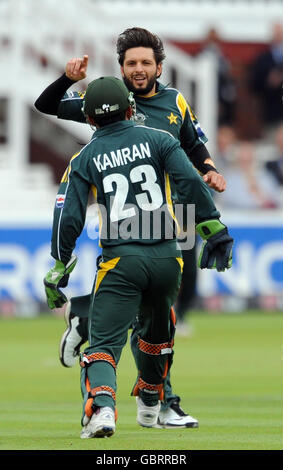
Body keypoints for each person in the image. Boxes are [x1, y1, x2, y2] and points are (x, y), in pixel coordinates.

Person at [35, 27, 226, 429]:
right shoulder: (106, 99)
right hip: (135, 225)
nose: (138, 70)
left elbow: (194, 142)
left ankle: (86, 319)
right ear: (121, 68)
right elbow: (46, 104)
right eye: (131, 63)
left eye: (145, 63)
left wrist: (208, 167)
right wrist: (67, 79)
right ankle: (161, 402)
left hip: (175, 219)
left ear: (159, 65)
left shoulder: (175, 101)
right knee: (152, 318)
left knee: (155, 316)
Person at [250, 23, 283, 130]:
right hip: (271, 113)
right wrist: (268, 82)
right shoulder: (263, 59)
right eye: (276, 34)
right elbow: (254, 85)